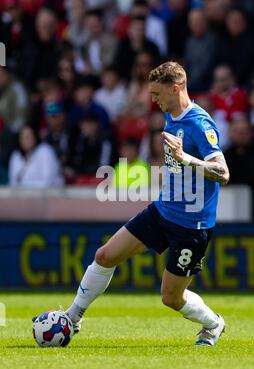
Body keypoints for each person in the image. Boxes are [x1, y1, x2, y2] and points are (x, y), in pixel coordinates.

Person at [54, 62, 230, 346]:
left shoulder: (200, 123)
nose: (153, 100)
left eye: (158, 94)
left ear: (176, 89)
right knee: (104, 256)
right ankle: (72, 319)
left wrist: (187, 159)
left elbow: (223, 173)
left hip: (191, 225)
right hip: (161, 212)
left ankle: (213, 324)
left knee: (171, 298)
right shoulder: (171, 115)